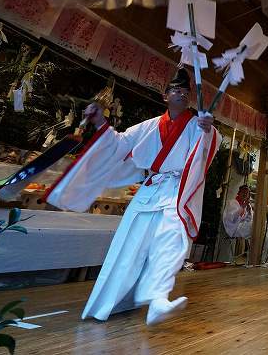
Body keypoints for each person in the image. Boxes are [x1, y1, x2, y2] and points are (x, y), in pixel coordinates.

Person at [46, 69, 221, 325]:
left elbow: (206, 148)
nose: (182, 95)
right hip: (151, 190)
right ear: (165, 96)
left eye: (186, 92)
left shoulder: (197, 124)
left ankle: (158, 298)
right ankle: (110, 303)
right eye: (176, 91)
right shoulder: (149, 126)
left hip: (177, 190)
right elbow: (119, 143)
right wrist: (100, 123)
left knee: (172, 240)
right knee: (129, 246)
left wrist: (208, 130)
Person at [223, 184, 268, 257]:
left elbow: (250, 219)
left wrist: (249, 211)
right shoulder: (232, 203)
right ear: (238, 193)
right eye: (243, 192)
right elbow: (232, 218)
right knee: (257, 225)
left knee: (263, 223)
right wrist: (243, 207)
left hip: (243, 226)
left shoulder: (246, 205)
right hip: (234, 228)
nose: (245, 194)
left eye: (247, 193)